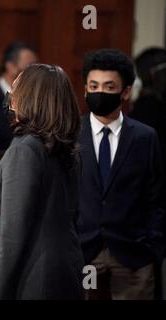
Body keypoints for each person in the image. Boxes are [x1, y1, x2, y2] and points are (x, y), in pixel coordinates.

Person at [0, 64, 84, 300]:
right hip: (66, 268)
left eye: (16, 87)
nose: (10, 94)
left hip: (32, 278)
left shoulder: (25, 149)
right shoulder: (67, 149)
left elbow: (13, 235)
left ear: (29, 97)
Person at [77, 48, 164, 300]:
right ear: (85, 89)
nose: (99, 93)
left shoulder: (144, 137)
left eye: (109, 87)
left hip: (133, 253)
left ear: (125, 92)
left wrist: (153, 247)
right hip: (83, 250)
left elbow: (156, 198)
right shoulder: (71, 134)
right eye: (93, 86)